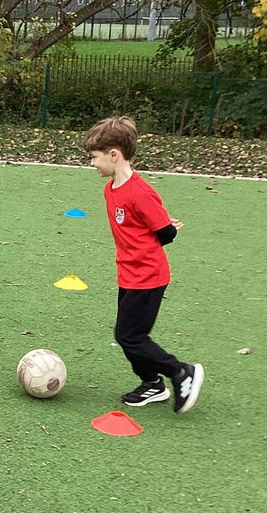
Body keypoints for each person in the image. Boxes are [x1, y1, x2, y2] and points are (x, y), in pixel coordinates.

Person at [83, 115, 203, 413]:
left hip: (149, 276)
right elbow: (140, 228)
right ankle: (152, 384)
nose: (92, 164)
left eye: (94, 158)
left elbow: (165, 233)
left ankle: (181, 372)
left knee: (130, 336)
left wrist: (167, 226)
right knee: (127, 335)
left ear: (114, 155)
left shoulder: (140, 192)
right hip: (128, 274)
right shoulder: (111, 188)